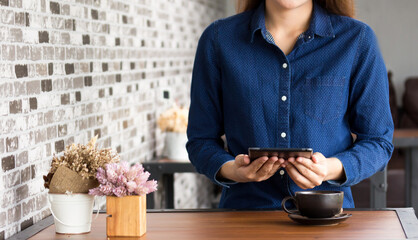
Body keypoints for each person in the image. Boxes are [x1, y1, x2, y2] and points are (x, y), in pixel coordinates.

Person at [186, 0, 394, 209]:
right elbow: (200, 140)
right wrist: (232, 170)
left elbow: (378, 141)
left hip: (327, 219)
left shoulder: (357, 40)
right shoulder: (218, 39)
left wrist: (330, 169)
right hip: (244, 216)